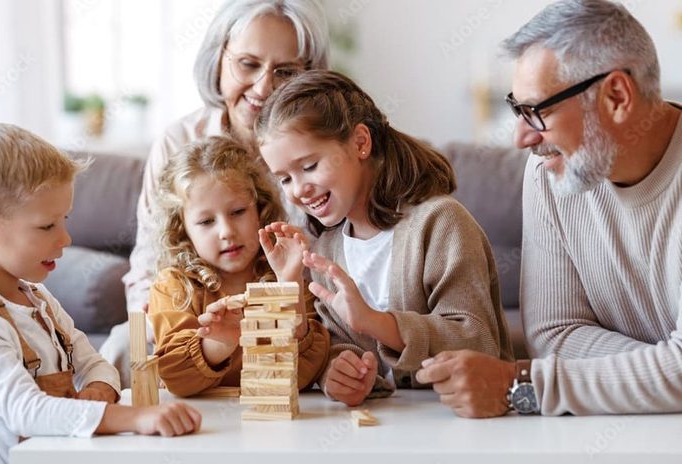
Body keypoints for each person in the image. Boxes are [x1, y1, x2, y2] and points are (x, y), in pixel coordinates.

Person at [416, 0, 682, 418]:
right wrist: (663, 370)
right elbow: (552, 336)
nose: (522, 137)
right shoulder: (547, 174)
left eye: (537, 111)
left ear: (616, 96)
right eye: (516, 109)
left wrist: (518, 386)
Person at [0, 122, 201, 464]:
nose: (66, 239)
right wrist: (134, 418)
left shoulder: (37, 298)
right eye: (47, 226)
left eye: (65, 220)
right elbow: (24, 411)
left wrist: (99, 388)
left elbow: (93, 362)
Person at [102, 0, 330, 387]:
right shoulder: (178, 141)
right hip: (192, 314)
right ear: (219, 59)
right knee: (127, 345)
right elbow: (150, 259)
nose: (264, 87)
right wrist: (177, 327)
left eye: (285, 71)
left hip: (296, 309)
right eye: (248, 64)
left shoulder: (321, 149)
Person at [256, 70, 514, 407]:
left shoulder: (440, 223)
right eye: (285, 179)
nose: (299, 190)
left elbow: (478, 343)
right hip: (384, 429)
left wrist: (377, 323)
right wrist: (334, 370)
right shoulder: (326, 251)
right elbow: (338, 343)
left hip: (462, 421)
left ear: (361, 143)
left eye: (310, 166)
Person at [147, 135, 329, 396]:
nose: (226, 232)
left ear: (260, 209)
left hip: (275, 425)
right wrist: (219, 343)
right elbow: (176, 379)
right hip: (205, 427)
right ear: (183, 230)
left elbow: (303, 375)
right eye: (206, 222)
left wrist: (288, 284)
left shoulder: (288, 272)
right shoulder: (173, 286)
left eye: (237, 212)